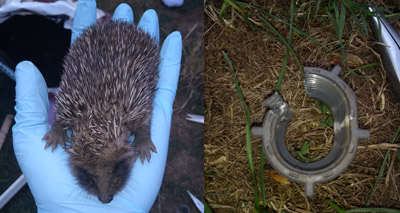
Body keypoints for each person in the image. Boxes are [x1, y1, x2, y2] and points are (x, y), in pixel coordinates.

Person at [12, 1, 182, 212]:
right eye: (88, 175)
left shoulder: (125, 116)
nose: (104, 195)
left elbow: (139, 117)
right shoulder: (107, 116)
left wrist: (143, 138)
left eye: (116, 168)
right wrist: (56, 130)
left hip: (123, 52)